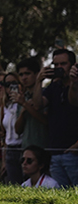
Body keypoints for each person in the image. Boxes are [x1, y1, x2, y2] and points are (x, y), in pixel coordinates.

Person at [33, 49, 78, 187]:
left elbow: (73, 101)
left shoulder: (75, 85)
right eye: (56, 65)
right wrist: (38, 81)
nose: (59, 68)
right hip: (55, 151)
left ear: (73, 65)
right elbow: (37, 104)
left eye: (63, 64)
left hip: (74, 152)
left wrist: (73, 82)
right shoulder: (54, 86)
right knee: (61, 197)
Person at [0, 72, 24, 184]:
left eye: (14, 83)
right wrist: (3, 161)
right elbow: (4, 133)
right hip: (10, 151)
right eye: (7, 85)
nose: (10, 87)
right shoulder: (5, 107)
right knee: (13, 185)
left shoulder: (24, 103)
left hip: (23, 148)